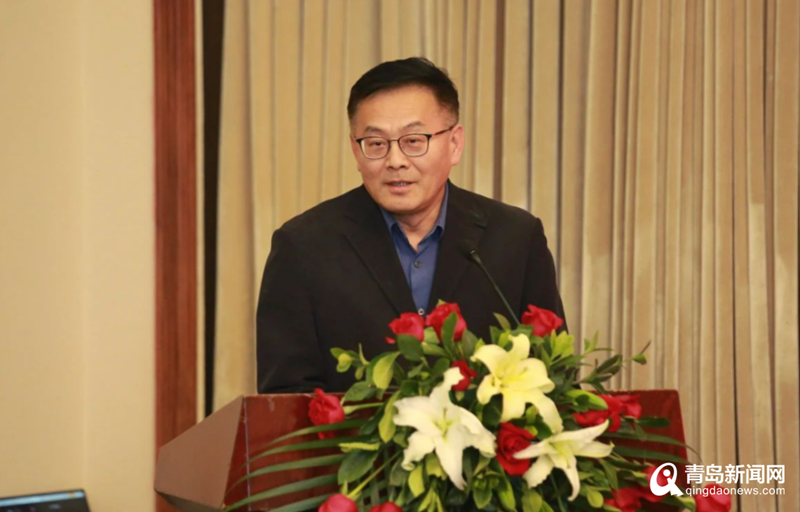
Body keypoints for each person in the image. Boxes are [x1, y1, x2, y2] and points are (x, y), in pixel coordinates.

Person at [257, 57, 566, 393]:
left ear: (454, 144)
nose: (395, 161)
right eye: (376, 144)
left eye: (414, 141)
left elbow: (555, 377)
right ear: (356, 151)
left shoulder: (515, 239)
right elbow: (284, 399)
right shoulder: (304, 248)